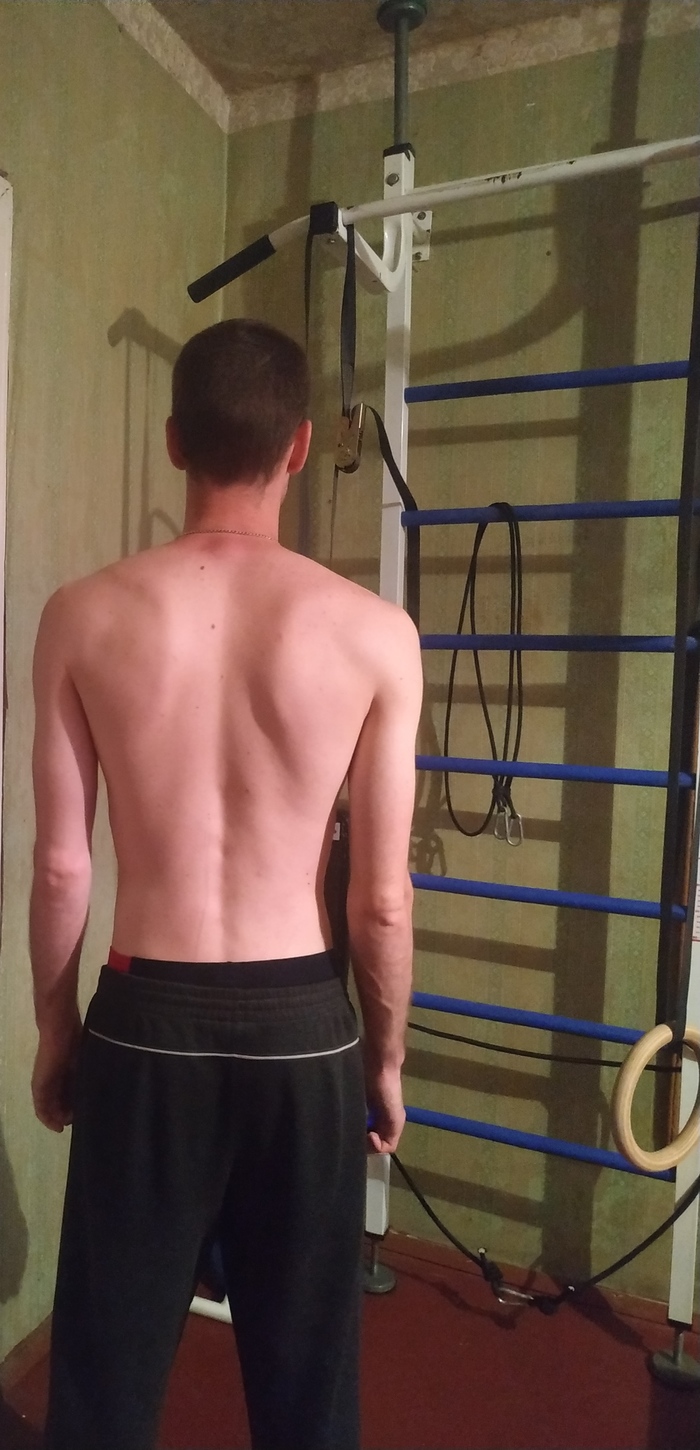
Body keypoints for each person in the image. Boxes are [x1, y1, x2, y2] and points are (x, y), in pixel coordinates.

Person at [30, 318, 423, 1450]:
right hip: (301, 1028)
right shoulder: (375, 634)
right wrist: (384, 1059)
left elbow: (62, 865)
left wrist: (57, 1034)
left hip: (143, 1018)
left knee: (103, 1379)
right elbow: (381, 899)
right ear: (299, 447)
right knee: (307, 1386)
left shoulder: (81, 614)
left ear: (173, 442)